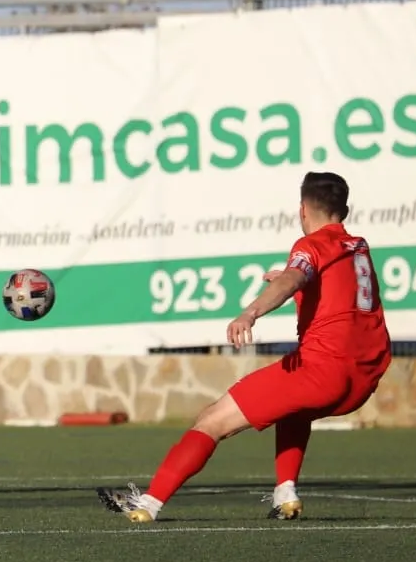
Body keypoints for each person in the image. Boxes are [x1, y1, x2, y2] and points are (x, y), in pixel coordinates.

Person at [99, 172, 392, 523]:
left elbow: (295, 276)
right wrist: (292, 281)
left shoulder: (310, 247)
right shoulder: (358, 246)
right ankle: (285, 494)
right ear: (344, 209)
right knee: (294, 410)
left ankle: (148, 503)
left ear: (302, 210)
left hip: (321, 371)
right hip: (362, 378)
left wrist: (250, 313)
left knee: (210, 421)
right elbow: (331, 290)